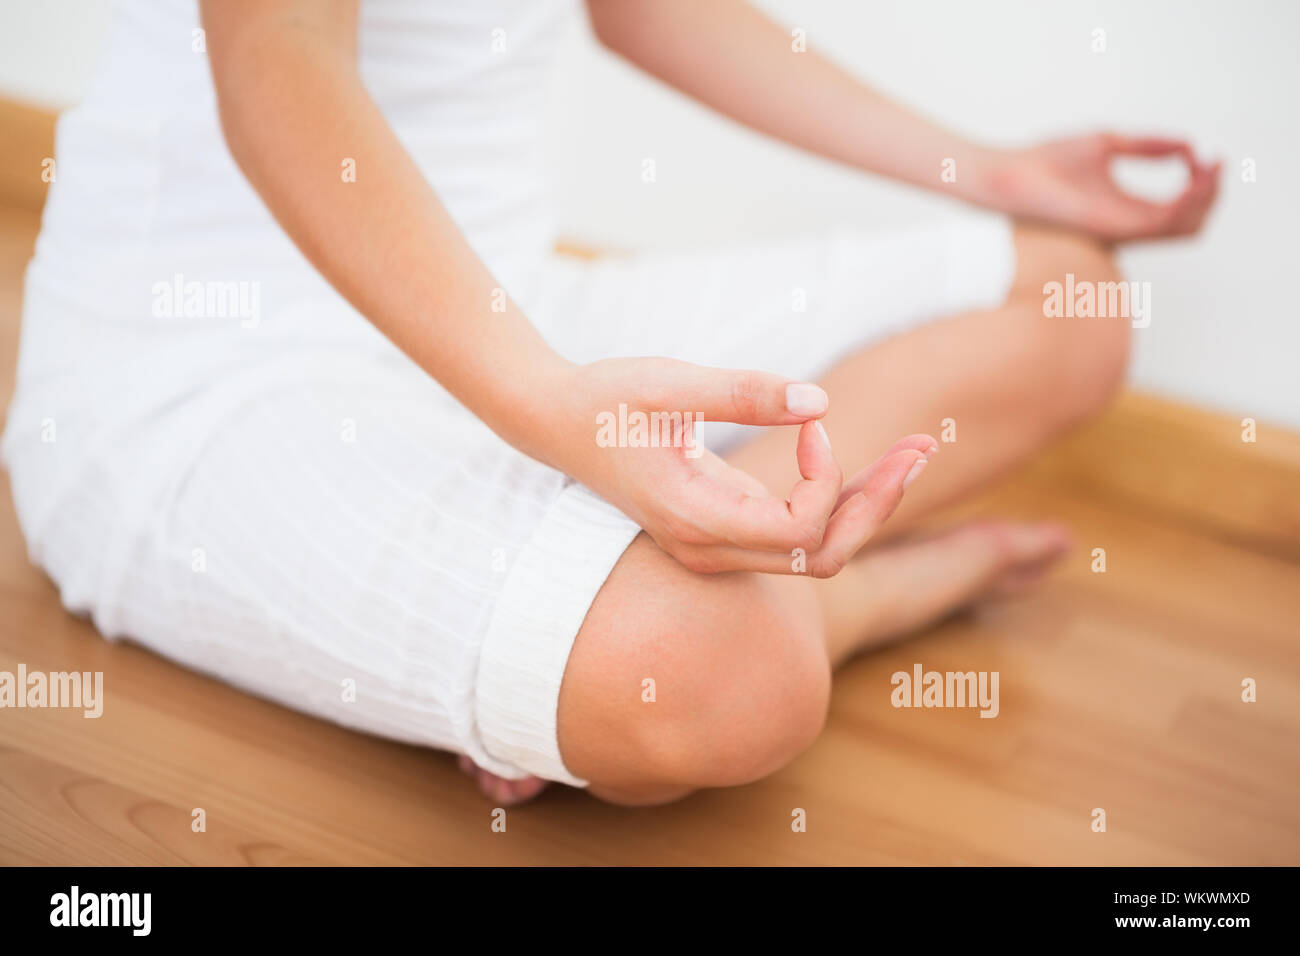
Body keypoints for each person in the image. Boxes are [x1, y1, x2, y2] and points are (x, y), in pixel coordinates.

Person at [1, 0, 1219, 806]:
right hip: (208, 367)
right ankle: (855, 599)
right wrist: (548, 406)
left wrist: (989, 170)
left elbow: (642, 7)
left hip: (508, 305)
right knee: (703, 671)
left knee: (1069, 298)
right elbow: (278, 70)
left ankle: (685, 567)